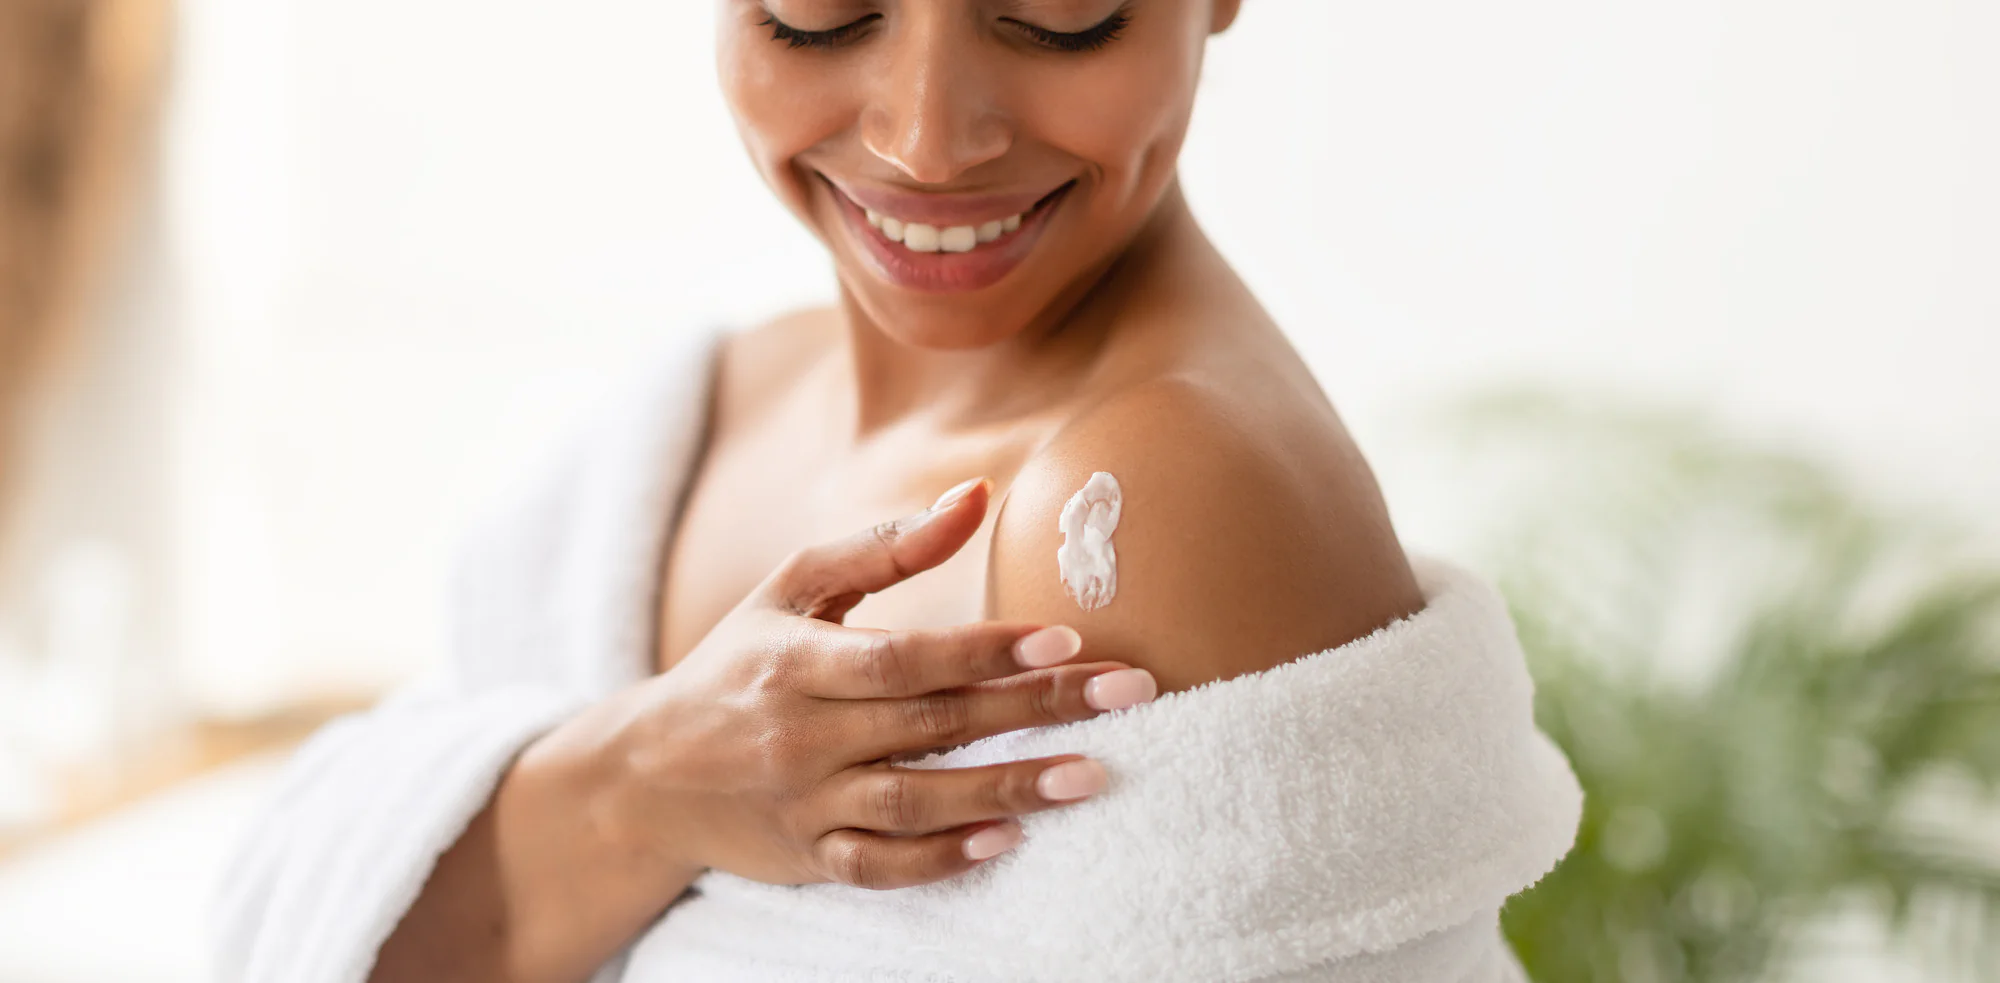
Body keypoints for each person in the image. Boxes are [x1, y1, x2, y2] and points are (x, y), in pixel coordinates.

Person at [218, 3, 1580, 981]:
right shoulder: (688, 424)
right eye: (821, 15)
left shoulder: (1141, 508)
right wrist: (641, 786)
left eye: (1056, 15)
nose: (929, 139)